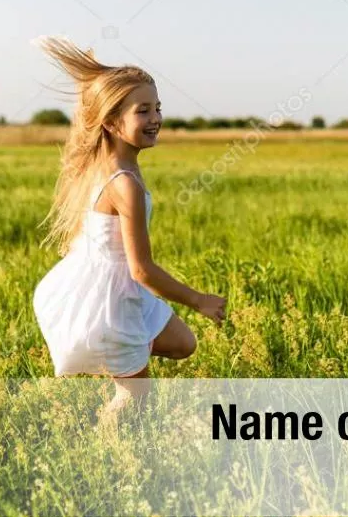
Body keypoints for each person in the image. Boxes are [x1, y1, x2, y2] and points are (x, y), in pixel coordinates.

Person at [31, 36, 227, 418]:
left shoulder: (106, 167)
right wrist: (198, 300)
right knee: (135, 397)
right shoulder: (124, 184)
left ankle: (115, 354)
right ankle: (104, 450)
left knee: (183, 343)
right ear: (111, 122)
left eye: (157, 108)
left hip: (118, 288)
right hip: (108, 301)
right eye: (142, 111)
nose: (155, 118)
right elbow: (142, 269)